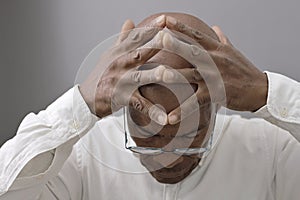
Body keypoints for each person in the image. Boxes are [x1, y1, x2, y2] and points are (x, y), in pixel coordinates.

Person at [0, 12, 299, 200]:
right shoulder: (79, 157)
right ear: (123, 103)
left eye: (187, 134)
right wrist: (83, 103)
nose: (167, 158)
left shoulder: (271, 150)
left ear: (218, 105)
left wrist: (266, 92)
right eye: (149, 129)